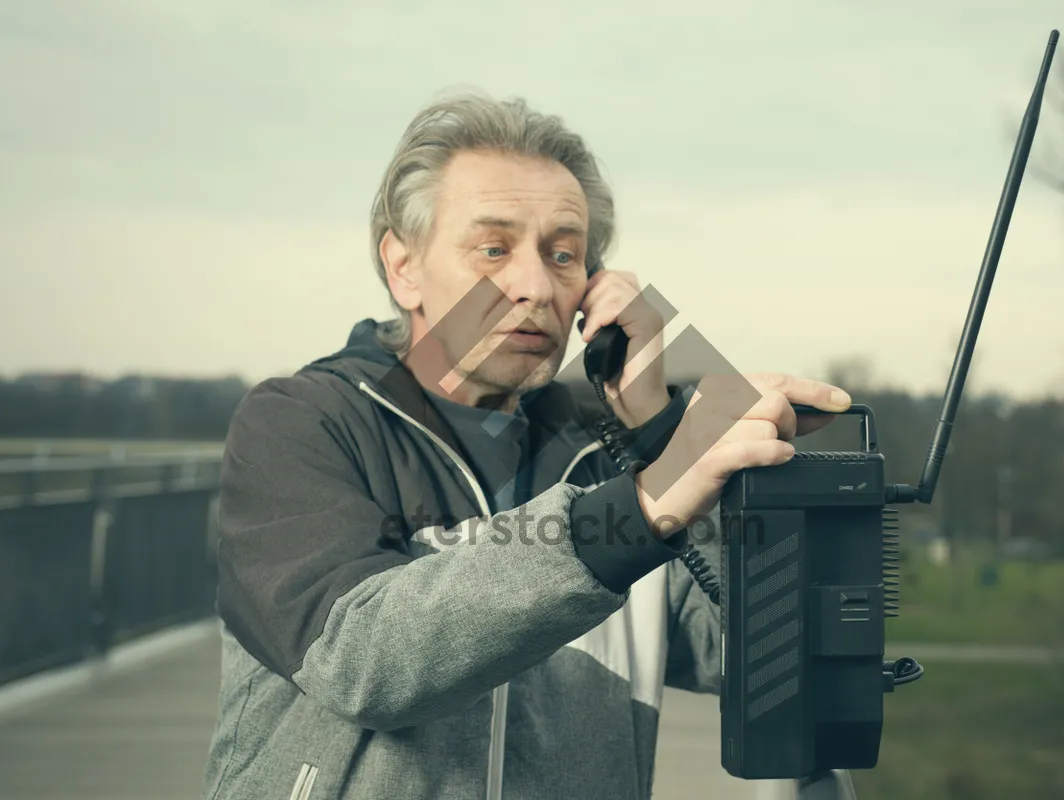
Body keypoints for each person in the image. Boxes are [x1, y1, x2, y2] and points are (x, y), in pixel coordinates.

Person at [200, 90, 852, 800]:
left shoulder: (610, 449)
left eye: (564, 255)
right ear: (403, 267)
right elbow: (361, 664)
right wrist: (634, 510)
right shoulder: (301, 422)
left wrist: (658, 429)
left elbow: (758, 657)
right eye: (493, 249)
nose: (535, 285)